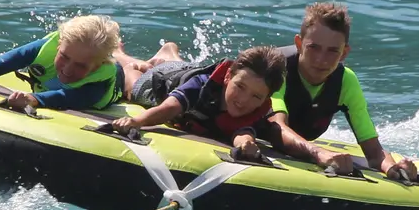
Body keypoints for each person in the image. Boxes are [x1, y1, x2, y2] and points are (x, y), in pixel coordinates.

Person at [265, 2, 419, 181]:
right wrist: (319, 154)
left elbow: (374, 152)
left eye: (332, 51)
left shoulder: (346, 81)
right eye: (313, 47)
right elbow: (277, 128)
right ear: (299, 43)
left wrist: (394, 168)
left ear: (344, 53)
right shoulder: (277, 68)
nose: (321, 59)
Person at [105, 46, 286, 159]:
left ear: (265, 98)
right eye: (240, 86)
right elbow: (169, 108)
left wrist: (246, 145)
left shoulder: (257, 109)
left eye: (256, 97)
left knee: (183, 68)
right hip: (163, 79)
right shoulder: (201, 86)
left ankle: (169, 52)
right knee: (133, 88)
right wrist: (137, 122)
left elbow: (243, 132)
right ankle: (123, 56)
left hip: (186, 70)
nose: (244, 100)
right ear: (228, 76)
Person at [0, 14, 124, 111]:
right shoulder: (45, 47)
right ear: (59, 44)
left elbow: (69, 97)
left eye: (81, 65)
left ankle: (127, 60)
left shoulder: (101, 78)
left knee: (132, 79)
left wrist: (34, 99)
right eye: (65, 57)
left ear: (97, 66)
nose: (68, 70)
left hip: (119, 84)